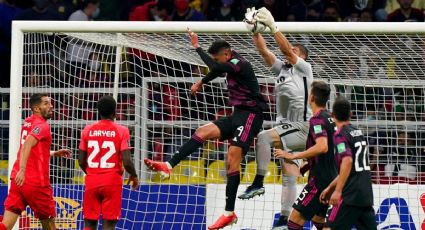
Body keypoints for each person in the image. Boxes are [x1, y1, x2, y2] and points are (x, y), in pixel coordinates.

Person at [144, 29, 267, 230]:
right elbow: (217, 70)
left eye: (218, 57)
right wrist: (202, 81)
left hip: (252, 115)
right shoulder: (230, 63)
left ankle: (228, 213)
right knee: (202, 131)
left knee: (232, 157)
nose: (217, 61)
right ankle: (169, 165)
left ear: (226, 54)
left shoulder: (241, 63)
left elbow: (216, 66)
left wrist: (196, 46)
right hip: (238, 114)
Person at [238, 7, 313, 229]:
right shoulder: (282, 69)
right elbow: (264, 51)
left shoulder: (304, 69)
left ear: (303, 57)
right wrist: (254, 31)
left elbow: (287, 51)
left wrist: (274, 27)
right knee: (290, 176)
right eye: (292, 49)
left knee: (263, 138)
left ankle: (258, 183)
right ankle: (283, 220)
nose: (292, 51)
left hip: (301, 126)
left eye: (296, 50)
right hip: (286, 129)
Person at [1, 93, 71, 230]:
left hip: (18, 181)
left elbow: (30, 149)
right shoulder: (42, 126)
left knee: (6, 225)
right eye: (46, 103)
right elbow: (27, 144)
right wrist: (23, 169)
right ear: (37, 108)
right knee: (50, 226)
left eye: (50, 102)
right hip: (36, 183)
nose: (51, 106)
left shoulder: (28, 122)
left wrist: (52, 153)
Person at [274, 81, 337, 230]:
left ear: (312, 97)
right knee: (319, 220)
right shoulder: (331, 118)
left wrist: (293, 156)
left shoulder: (317, 119)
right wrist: (308, 164)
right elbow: (331, 150)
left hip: (320, 180)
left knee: (294, 221)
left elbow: (323, 146)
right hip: (331, 176)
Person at [78, 95, 139, 230]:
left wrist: (92, 173)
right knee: (109, 223)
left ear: (98, 112)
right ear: (115, 112)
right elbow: (127, 161)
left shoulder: (87, 130)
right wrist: (134, 175)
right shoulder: (122, 130)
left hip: (92, 180)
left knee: (89, 223)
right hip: (112, 181)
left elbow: (81, 160)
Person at [320, 96, 377, 230]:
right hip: (365, 194)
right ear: (350, 114)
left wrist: (337, 190)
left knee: (329, 227)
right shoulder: (358, 133)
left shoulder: (340, 136)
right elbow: (352, 168)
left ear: (332, 115)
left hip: (349, 196)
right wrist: (330, 187)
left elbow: (347, 161)